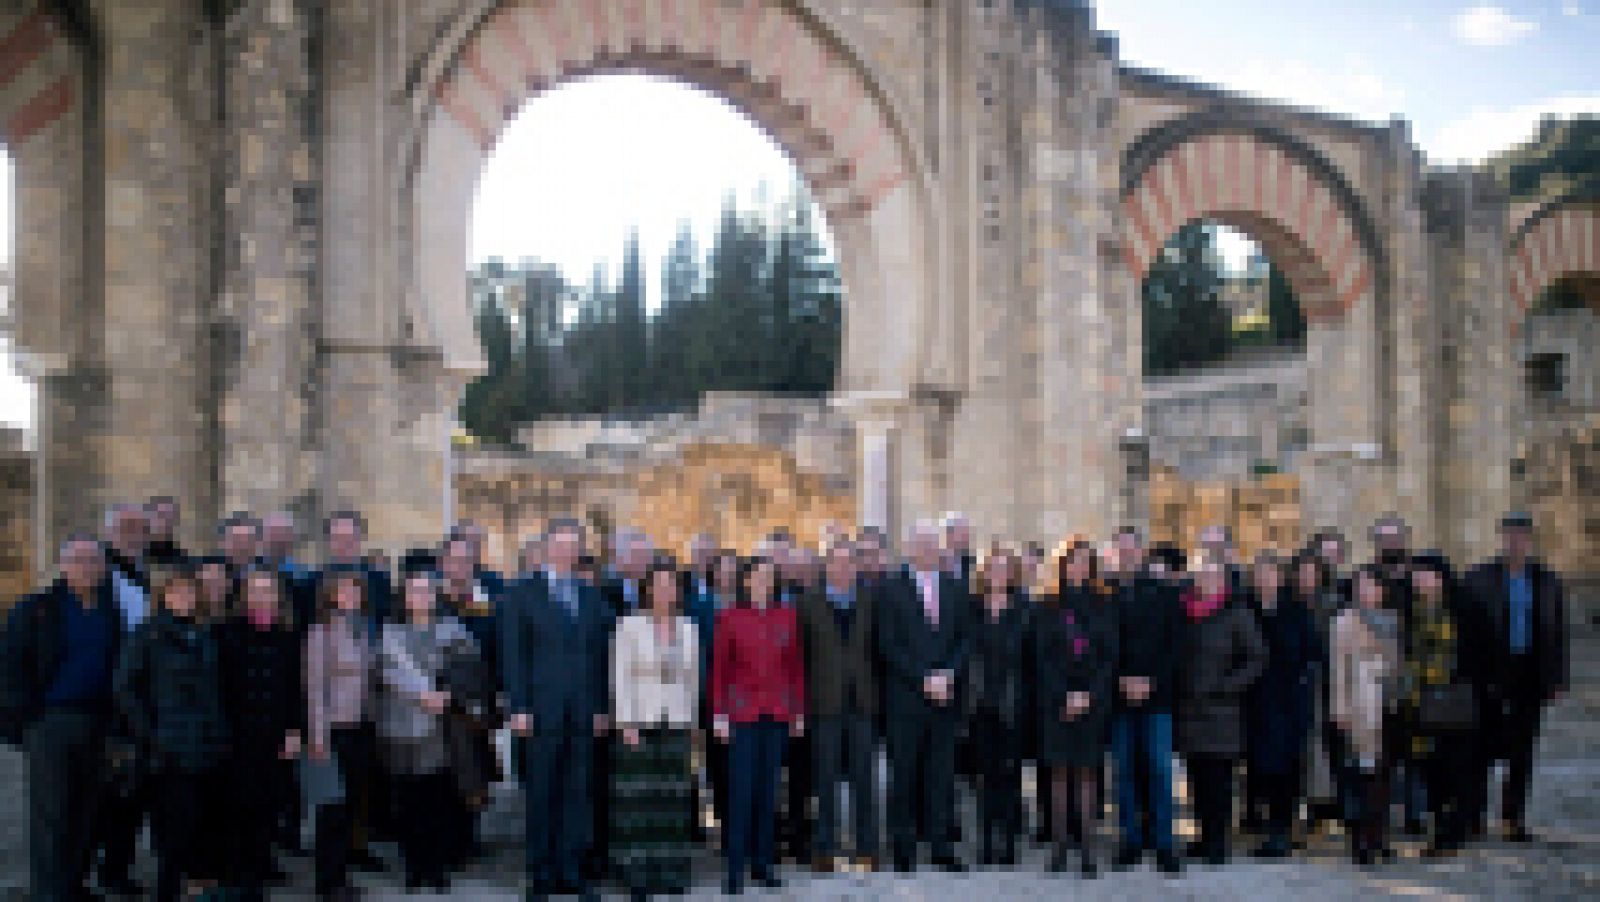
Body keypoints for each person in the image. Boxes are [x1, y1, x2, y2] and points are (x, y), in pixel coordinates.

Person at [1, 535, 123, 902]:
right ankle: (48, 893)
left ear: (104, 568)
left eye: (94, 560)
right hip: (50, 721)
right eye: (79, 560)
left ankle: (72, 886)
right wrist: (23, 721)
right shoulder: (37, 609)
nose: (87, 567)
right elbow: (11, 667)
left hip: (97, 721)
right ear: (63, 564)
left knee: (86, 812)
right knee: (50, 813)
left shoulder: (109, 611)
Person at [500, 518, 613, 901]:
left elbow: (600, 657)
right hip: (539, 712)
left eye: (572, 544)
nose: (566, 551)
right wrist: (518, 706)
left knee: (577, 795)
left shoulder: (591, 595)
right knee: (542, 794)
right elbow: (513, 656)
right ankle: (541, 874)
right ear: (546, 547)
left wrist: (600, 707)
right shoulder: (520, 593)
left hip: (583, 713)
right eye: (559, 543)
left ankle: (572, 871)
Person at [114, 565, 230, 902]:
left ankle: (199, 890)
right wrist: (151, 732)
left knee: (202, 827)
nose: (184, 597)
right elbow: (124, 688)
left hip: (208, 745)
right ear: (163, 596)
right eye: (176, 591)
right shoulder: (147, 634)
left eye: (190, 591)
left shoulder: (205, 634)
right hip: (168, 749)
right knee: (173, 832)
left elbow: (214, 689)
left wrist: (220, 732)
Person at [1462, 511, 1569, 843]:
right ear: (1501, 538)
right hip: (1490, 673)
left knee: (1522, 750)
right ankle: (1474, 817)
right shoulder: (1479, 578)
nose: (1515, 542)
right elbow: (1466, 629)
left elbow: (1558, 633)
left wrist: (1558, 678)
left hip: (1529, 673)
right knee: (1481, 748)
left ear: (1530, 540)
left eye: (1521, 536)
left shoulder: (1547, 581)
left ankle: (1512, 819)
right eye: (1509, 535)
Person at [375, 571, 479, 892]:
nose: (422, 596)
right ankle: (413, 868)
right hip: (401, 725)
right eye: (415, 591)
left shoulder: (453, 628)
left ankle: (436, 869)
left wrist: (448, 693)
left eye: (427, 591)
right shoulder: (389, 632)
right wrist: (420, 694)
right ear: (404, 597)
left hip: (439, 725)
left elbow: (471, 666)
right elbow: (383, 670)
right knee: (407, 802)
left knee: (438, 799)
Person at [877, 522, 972, 874]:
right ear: (910, 548)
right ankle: (903, 849)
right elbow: (887, 644)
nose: (928, 549)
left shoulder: (955, 587)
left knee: (941, 776)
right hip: (906, 699)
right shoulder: (890, 589)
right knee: (903, 775)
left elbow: (965, 638)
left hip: (945, 697)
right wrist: (923, 677)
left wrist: (948, 673)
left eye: (932, 543)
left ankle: (941, 847)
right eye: (921, 543)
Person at [712, 556, 806, 894]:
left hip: (777, 716)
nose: (764, 582)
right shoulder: (730, 617)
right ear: (746, 581)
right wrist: (719, 715)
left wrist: (798, 712)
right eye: (757, 576)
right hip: (741, 717)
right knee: (741, 794)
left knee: (769, 794)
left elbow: (795, 668)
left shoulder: (788, 616)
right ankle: (735, 868)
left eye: (769, 576)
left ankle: (763, 864)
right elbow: (720, 670)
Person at [610, 557, 701, 900]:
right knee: (639, 801)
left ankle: (671, 871)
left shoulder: (689, 626)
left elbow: (693, 679)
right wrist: (626, 721)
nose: (665, 590)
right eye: (659, 583)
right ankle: (637, 874)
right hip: (640, 720)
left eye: (671, 584)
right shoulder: (629, 625)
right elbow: (619, 676)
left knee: (673, 799)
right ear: (647, 588)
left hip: (676, 720)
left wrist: (692, 721)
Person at [218, 567, 304, 900]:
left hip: (275, 733)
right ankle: (241, 879)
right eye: (255, 590)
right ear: (244, 596)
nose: (262, 596)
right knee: (239, 807)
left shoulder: (288, 634)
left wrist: (295, 729)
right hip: (238, 735)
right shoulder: (229, 632)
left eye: (268, 590)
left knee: (268, 806)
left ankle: (258, 870)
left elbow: (294, 687)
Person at [1175, 555, 1266, 866]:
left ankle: (1218, 842)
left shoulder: (1237, 613)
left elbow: (1256, 658)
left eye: (1214, 575)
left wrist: (1227, 687)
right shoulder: (1184, 612)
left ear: (1224, 581)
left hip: (1222, 711)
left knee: (1219, 781)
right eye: (1202, 575)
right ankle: (1202, 836)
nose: (1208, 581)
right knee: (1196, 779)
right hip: (1189, 710)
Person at [1034, 540, 1118, 876]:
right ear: (1062, 565)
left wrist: (1088, 695)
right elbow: (1042, 657)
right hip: (1057, 701)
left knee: (1086, 774)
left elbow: (1110, 655)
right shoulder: (1048, 604)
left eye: (1085, 562)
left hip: (1092, 701)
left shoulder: (1104, 603)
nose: (1079, 568)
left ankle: (1086, 849)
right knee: (1058, 774)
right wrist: (1064, 695)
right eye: (1073, 562)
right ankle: (1058, 848)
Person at [797, 539, 880, 872]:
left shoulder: (869, 601)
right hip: (824, 704)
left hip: (862, 702)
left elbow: (877, 651)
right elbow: (801, 657)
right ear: (826, 566)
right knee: (826, 779)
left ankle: (867, 850)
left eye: (849, 562)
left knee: (864, 779)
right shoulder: (808, 603)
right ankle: (825, 850)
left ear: (856, 567)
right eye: (837, 562)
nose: (843, 568)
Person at [1108, 529, 1184, 875]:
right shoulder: (1106, 593)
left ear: (1141, 552)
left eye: (1131, 549)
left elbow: (1174, 647)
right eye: (1120, 550)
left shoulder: (1165, 593)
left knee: (1159, 769)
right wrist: (1122, 680)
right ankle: (1130, 840)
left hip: (1157, 697)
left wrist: (1149, 682)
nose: (1126, 555)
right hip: (1119, 697)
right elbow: (1103, 646)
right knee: (1124, 771)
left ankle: (1164, 842)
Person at [305, 569, 381, 899]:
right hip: (333, 731)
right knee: (331, 811)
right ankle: (328, 882)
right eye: (343, 591)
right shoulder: (321, 631)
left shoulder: (363, 630)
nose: (350, 596)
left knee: (349, 807)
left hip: (361, 727)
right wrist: (318, 736)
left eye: (355, 590)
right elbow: (314, 688)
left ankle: (341, 876)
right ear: (330, 595)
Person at [1399, 553, 1480, 857]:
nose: (1419, 580)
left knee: (1457, 770)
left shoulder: (1463, 610)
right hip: (1419, 703)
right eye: (1416, 575)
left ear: (1441, 577)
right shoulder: (1408, 611)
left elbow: (1478, 655)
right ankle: (1438, 829)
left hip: (1455, 704)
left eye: (1425, 575)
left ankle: (1453, 831)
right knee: (1429, 770)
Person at [1244, 551, 1318, 859]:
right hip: (1253, 700)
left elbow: (1310, 654)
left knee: (1284, 769)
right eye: (1260, 573)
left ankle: (1280, 831)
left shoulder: (1296, 611)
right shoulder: (1246, 608)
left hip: (1287, 704)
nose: (1265, 579)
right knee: (1258, 767)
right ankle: (1261, 825)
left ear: (1280, 577)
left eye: (1271, 573)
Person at [1331, 566, 1403, 866]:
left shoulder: (1392, 619)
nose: (1365, 591)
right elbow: (1339, 668)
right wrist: (1340, 708)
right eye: (1360, 585)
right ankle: (1360, 839)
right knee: (1362, 775)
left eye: (1372, 585)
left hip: (1389, 705)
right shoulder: (1345, 621)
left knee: (1385, 774)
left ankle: (1380, 836)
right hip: (1360, 706)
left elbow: (1398, 662)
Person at [966, 544, 1031, 867]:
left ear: (1012, 573)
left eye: (1004, 568)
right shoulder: (972, 608)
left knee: (1009, 775)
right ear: (983, 573)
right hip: (979, 706)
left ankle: (1007, 843)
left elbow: (1031, 661)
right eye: (992, 568)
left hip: (1012, 705)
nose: (998, 574)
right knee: (983, 777)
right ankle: (985, 842)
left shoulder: (1024, 608)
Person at [686, 548, 741, 841]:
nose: (727, 574)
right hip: (711, 695)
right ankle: (723, 824)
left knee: (740, 765)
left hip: (745, 697)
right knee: (717, 764)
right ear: (713, 572)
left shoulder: (747, 606)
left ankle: (741, 827)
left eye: (733, 568)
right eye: (722, 568)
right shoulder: (698, 606)